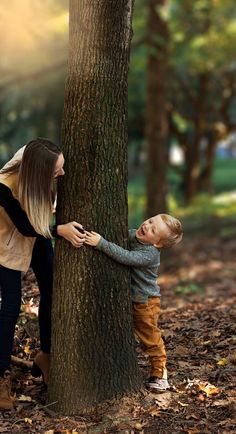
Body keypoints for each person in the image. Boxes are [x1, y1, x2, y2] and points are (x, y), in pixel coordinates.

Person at [0, 138, 86, 410]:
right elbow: (24, 226)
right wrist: (60, 230)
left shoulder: (37, 154)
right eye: (56, 171)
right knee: (11, 307)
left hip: (38, 232)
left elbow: (34, 223)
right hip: (7, 243)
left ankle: (46, 355)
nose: (62, 174)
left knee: (52, 287)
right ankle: (1, 376)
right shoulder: (3, 187)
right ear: (39, 173)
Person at [85, 214, 183, 392]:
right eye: (151, 221)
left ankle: (160, 373)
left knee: (150, 337)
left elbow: (126, 257)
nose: (147, 226)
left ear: (158, 244)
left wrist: (101, 243)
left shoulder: (150, 253)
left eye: (153, 230)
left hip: (145, 302)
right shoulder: (132, 235)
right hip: (132, 299)